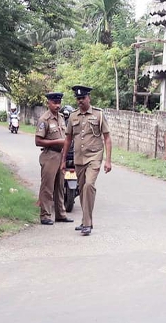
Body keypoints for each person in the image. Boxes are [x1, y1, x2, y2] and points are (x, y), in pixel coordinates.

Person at [60, 85, 112, 236]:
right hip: (79, 158)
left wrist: (108, 161)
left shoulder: (99, 114)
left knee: (89, 185)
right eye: (78, 98)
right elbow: (68, 139)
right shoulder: (73, 116)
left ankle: (87, 224)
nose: (80, 101)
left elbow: (107, 138)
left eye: (83, 98)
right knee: (82, 190)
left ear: (89, 98)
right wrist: (63, 160)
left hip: (94, 157)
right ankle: (85, 220)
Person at [35, 92, 74, 225]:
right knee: (48, 187)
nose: (57, 105)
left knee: (60, 186)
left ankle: (61, 214)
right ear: (49, 103)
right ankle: (45, 215)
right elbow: (38, 141)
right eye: (54, 103)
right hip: (49, 155)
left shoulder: (62, 117)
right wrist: (56, 141)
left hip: (61, 155)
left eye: (59, 103)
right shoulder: (44, 120)